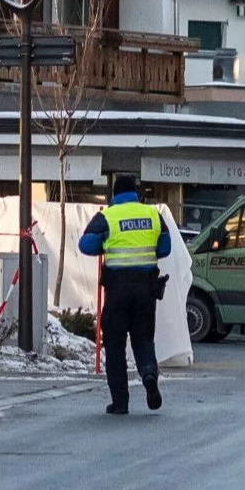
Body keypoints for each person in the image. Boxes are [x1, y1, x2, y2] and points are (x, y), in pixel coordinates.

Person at [80, 177, 172, 415]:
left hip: (117, 290)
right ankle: (149, 375)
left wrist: (106, 245)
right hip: (145, 289)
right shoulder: (153, 215)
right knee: (143, 339)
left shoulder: (107, 217)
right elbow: (165, 247)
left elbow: (85, 245)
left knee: (115, 345)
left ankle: (120, 402)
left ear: (114, 194)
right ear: (135, 193)